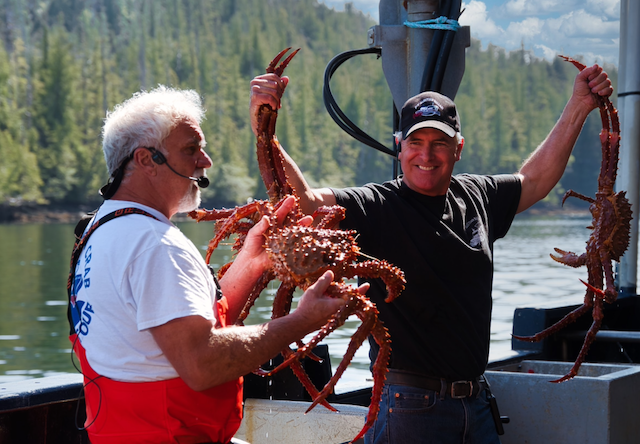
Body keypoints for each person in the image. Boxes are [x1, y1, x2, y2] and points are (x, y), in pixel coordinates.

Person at [249, 63, 613, 443]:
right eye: (415, 142)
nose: (426, 154)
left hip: (476, 403)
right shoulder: (374, 206)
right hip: (410, 407)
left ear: (458, 148)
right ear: (399, 146)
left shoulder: (478, 196)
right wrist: (265, 129)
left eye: (439, 142)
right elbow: (305, 201)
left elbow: (534, 179)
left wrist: (578, 105)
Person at [66, 85, 356, 444]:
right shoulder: (154, 245)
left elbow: (182, 330)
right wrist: (302, 321)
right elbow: (201, 363)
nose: (206, 161)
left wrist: (251, 263)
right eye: (191, 149)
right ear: (145, 160)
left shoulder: (100, 229)